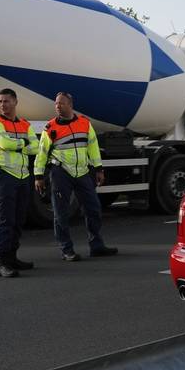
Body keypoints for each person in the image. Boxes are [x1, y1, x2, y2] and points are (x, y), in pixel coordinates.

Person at [34, 92, 117, 261]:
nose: (58, 106)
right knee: (61, 213)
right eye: (56, 103)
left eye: (61, 103)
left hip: (83, 172)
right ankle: (66, 249)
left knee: (93, 209)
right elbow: (41, 153)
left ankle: (97, 246)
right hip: (60, 173)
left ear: (70, 105)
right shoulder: (50, 128)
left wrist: (99, 169)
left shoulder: (85, 124)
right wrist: (38, 175)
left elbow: (93, 147)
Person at [0, 88, 40, 278]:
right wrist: (24, 144)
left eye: (6, 101)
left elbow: (37, 147)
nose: (2, 105)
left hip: (23, 177)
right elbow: (4, 144)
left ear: (15, 102)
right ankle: (1, 263)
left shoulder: (25, 124)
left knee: (18, 220)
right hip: (4, 176)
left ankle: (12, 258)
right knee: (4, 221)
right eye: (0, 101)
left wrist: (20, 145)